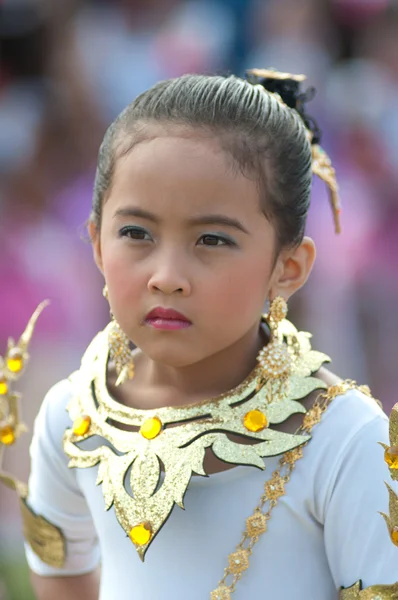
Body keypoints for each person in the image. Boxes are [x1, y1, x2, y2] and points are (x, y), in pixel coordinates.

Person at [1, 69, 398, 600]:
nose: (166, 275)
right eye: (135, 233)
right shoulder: (70, 420)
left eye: (212, 239)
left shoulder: (344, 439)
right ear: (96, 242)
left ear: (289, 266)